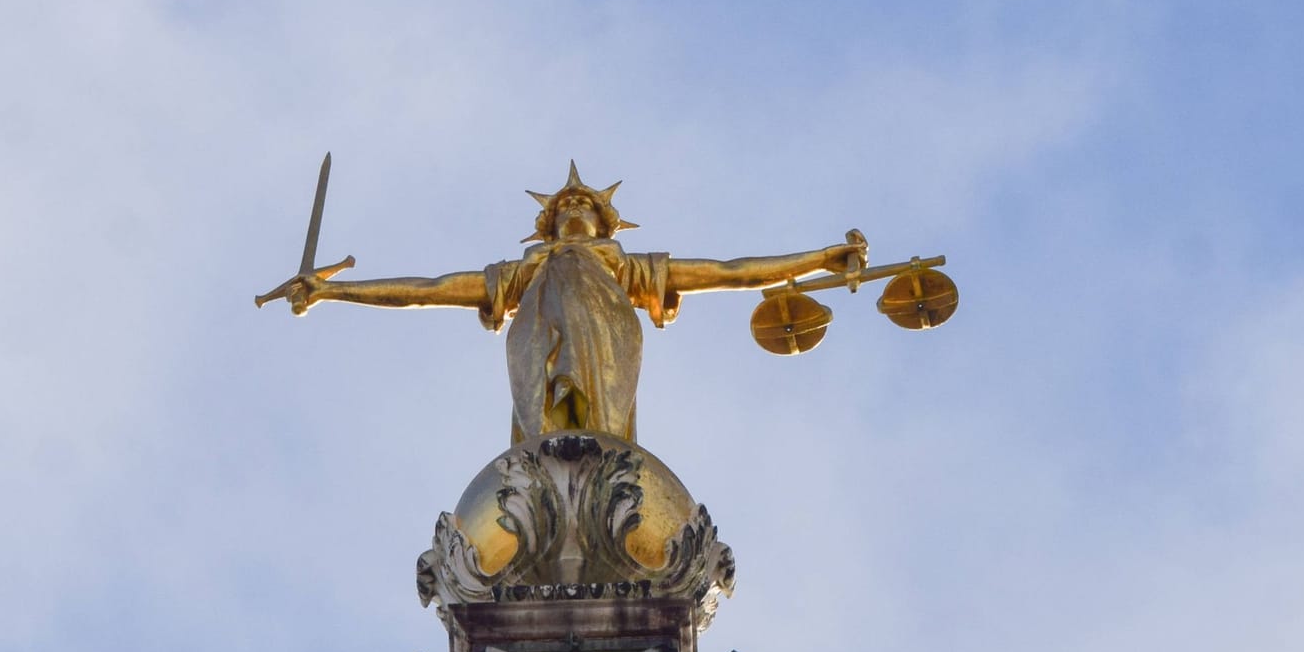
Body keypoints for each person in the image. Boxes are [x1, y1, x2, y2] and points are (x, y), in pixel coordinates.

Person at [271, 163, 866, 444]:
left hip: (609, 341)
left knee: (600, 437)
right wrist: (333, 290)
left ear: (605, 223)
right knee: (543, 435)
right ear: (549, 224)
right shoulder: (526, 270)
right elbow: (430, 290)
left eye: (585, 207)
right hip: (535, 340)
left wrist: (818, 259)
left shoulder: (624, 266)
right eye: (564, 209)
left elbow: (729, 272)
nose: (574, 211)